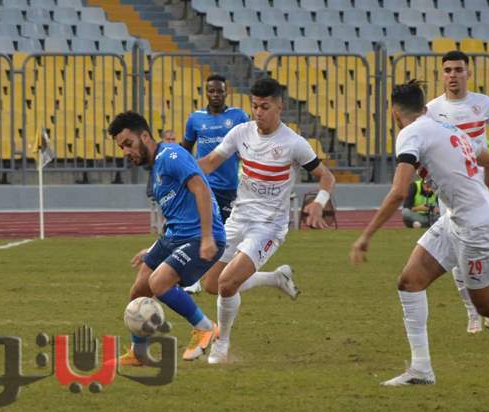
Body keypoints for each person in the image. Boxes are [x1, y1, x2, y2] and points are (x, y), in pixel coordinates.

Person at [350, 80, 489, 386]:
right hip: (458, 218)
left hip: (475, 226)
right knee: (410, 282)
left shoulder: (411, 133)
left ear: (394, 113)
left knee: (488, 306)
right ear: (425, 107)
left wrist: (366, 236)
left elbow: (399, 192)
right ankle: (421, 369)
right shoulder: (447, 127)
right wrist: (485, 199)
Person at [197, 77, 336, 364]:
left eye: (264, 107)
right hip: (238, 219)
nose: (258, 113)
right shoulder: (241, 133)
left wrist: (319, 204)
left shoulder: (294, 144)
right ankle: (276, 278)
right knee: (210, 283)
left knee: (226, 284)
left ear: (279, 106)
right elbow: (209, 162)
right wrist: (180, 170)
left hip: (268, 227)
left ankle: (221, 345)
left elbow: (326, 177)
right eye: (255, 106)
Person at [108, 112, 226, 364]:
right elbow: (176, 214)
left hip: (200, 236)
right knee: (139, 290)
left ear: (145, 136)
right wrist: (152, 248)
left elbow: (201, 188)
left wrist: (207, 237)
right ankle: (139, 353)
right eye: (121, 147)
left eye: (128, 143)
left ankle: (205, 327)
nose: (126, 152)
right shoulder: (157, 170)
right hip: (176, 236)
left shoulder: (171, 155)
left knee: (158, 283)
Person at [425, 50, 489, 335]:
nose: (453, 75)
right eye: (448, 70)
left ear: (468, 73)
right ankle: (472, 311)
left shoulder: (484, 104)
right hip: (451, 192)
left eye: (458, 70)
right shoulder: (432, 110)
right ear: (442, 74)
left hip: (483, 188)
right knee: (458, 249)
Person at [182, 75, 249, 294]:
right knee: (200, 230)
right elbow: (185, 150)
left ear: (226, 92)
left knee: (225, 236)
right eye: (212, 91)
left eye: (219, 91)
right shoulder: (195, 119)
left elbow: (249, 145)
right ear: (206, 92)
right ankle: (193, 278)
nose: (216, 95)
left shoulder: (238, 116)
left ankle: (224, 274)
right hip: (204, 184)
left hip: (229, 187)